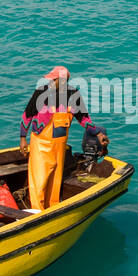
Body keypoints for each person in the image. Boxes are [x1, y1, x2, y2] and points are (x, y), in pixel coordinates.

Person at [19, 66, 109, 211]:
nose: (50, 82)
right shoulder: (41, 92)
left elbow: (84, 118)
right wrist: (23, 138)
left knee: (55, 179)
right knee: (39, 180)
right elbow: (27, 116)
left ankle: (52, 207)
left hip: (59, 146)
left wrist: (98, 134)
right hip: (40, 144)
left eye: (54, 80)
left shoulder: (74, 95)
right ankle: (37, 210)